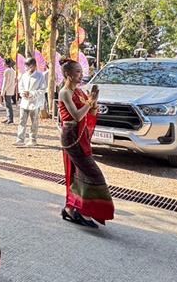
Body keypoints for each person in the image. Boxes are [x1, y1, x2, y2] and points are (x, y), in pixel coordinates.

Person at [58, 59, 114, 229]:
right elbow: (76, 115)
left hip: (80, 135)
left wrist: (94, 100)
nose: (81, 75)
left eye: (81, 72)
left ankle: (70, 209)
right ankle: (82, 211)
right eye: (77, 72)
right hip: (71, 136)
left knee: (79, 173)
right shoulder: (65, 92)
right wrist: (89, 103)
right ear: (68, 74)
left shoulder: (80, 92)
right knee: (92, 173)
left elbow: (92, 112)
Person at [15, 57, 46, 146]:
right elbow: (21, 87)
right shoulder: (24, 75)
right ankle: (20, 139)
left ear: (35, 66)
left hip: (35, 103)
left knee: (34, 121)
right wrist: (23, 93)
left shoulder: (40, 76)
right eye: (27, 66)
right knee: (22, 121)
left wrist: (32, 94)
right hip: (24, 102)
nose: (28, 68)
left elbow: (42, 89)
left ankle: (33, 139)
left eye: (30, 66)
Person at [0, 58, 16, 125]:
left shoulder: (7, 71)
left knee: (8, 105)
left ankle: (10, 119)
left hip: (7, 90)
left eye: (4, 62)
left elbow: (6, 82)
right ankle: (9, 117)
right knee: (8, 104)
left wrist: (3, 91)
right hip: (10, 89)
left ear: (6, 63)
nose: (3, 63)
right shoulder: (12, 70)